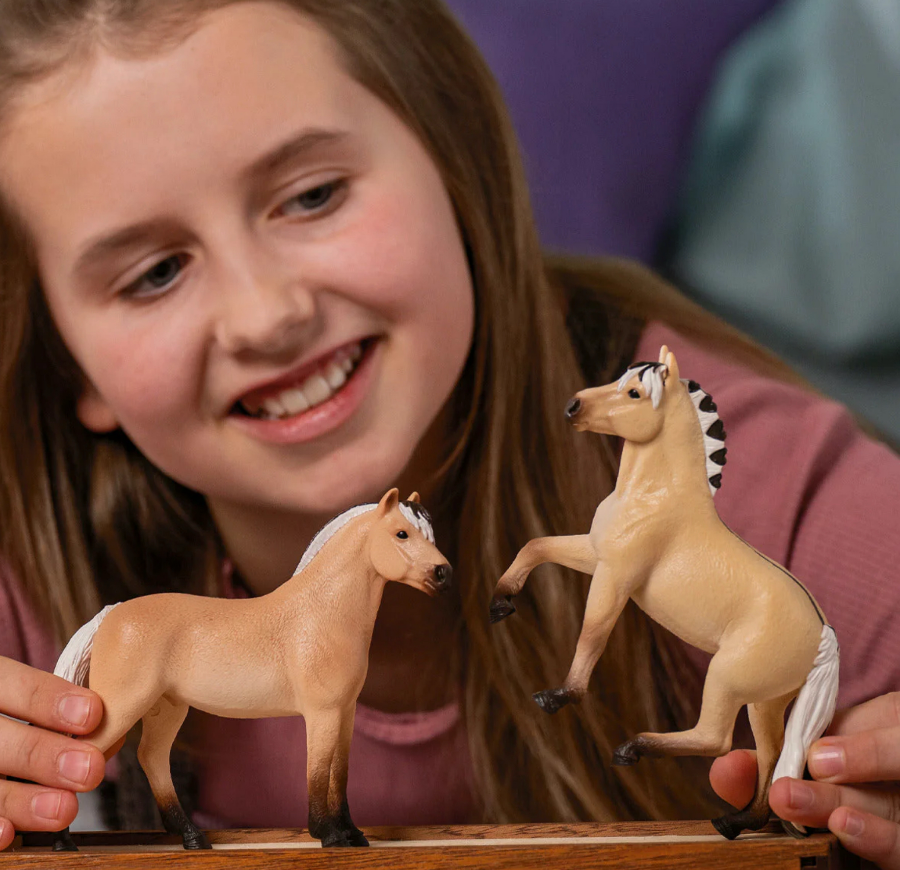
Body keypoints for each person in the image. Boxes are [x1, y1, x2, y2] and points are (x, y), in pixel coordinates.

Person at [0, 0, 897, 865]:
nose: (265, 316)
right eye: (155, 274)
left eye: (312, 196)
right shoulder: (25, 563)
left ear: (455, 163)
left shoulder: (749, 489)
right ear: (68, 364)